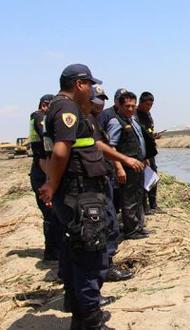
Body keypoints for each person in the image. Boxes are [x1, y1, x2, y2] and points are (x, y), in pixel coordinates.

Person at [39, 64, 111, 329]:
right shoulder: (67, 108)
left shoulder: (60, 108)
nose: (92, 90)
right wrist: (51, 185)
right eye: (90, 84)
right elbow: (60, 152)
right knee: (91, 256)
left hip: (75, 192)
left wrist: (52, 184)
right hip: (79, 193)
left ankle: (79, 314)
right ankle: (91, 322)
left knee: (75, 250)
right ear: (79, 84)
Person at [90, 86, 140, 282]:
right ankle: (105, 267)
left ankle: (105, 265)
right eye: (96, 98)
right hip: (93, 181)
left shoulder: (95, 119)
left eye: (102, 98)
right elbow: (106, 146)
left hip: (101, 176)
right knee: (107, 224)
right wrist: (122, 163)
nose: (99, 102)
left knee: (110, 221)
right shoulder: (106, 120)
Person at [104, 91, 149, 239]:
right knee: (128, 199)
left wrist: (144, 157)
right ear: (119, 105)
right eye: (127, 106)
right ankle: (131, 230)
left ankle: (138, 226)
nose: (130, 109)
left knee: (138, 196)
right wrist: (119, 168)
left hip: (138, 164)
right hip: (127, 167)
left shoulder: (133, 120)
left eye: (133, 106)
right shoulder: (116, 122)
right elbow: (112, 147)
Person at [29, 94, 62, 261]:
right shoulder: (40, 118)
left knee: (54, 213)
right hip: (42, 171)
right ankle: (51, 252)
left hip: (43, 169)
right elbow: (43, 158)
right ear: (44, 105)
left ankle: (55, 248)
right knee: (50, 213)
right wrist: (50, 182)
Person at [136, 91, 162, 214]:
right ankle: (144, 206)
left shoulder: (148, 115)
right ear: (140, 103)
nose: (149, 107)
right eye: (147, 104)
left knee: (153, 176)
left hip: (150, 151)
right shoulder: (134, 114)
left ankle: (153, 204)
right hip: (140, 152)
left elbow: (149, 131)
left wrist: (154, 135)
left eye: (151, 105)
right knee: (142, 179)